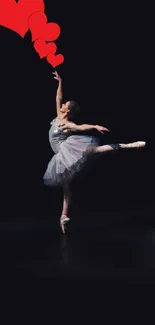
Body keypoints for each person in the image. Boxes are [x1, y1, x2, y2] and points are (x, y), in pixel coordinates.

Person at [43, 71, 146, 234]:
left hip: (67, 151)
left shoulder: (67, 124)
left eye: (65, 105)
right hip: (60, 157)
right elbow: (58, 97)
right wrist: (60, 82)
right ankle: (63, 218)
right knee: (66, 188)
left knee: (98, 150)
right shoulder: (58, 116)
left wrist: (94, 127)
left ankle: (128, 145)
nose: (62, 105)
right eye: (63, 104)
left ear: (68, 111)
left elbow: (80, 127)